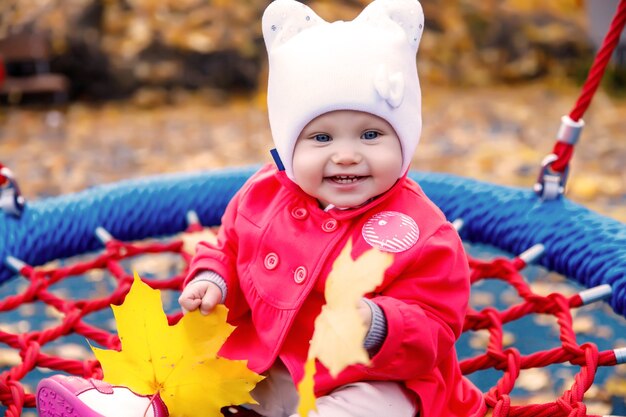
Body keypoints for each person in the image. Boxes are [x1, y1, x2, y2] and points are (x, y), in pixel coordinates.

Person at [36, 0, 486, 416]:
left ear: (405, 139)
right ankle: (145, 405)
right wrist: (212, 279)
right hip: (267, 359)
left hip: (368, 377)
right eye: (321, 138)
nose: (346, 155)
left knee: (370, 407)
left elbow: (437, 328)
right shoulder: (263, 194)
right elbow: (228, 248)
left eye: (371, 135)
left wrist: (379, 324)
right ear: (289, 146)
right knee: (196, 376)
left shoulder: (423, 231)